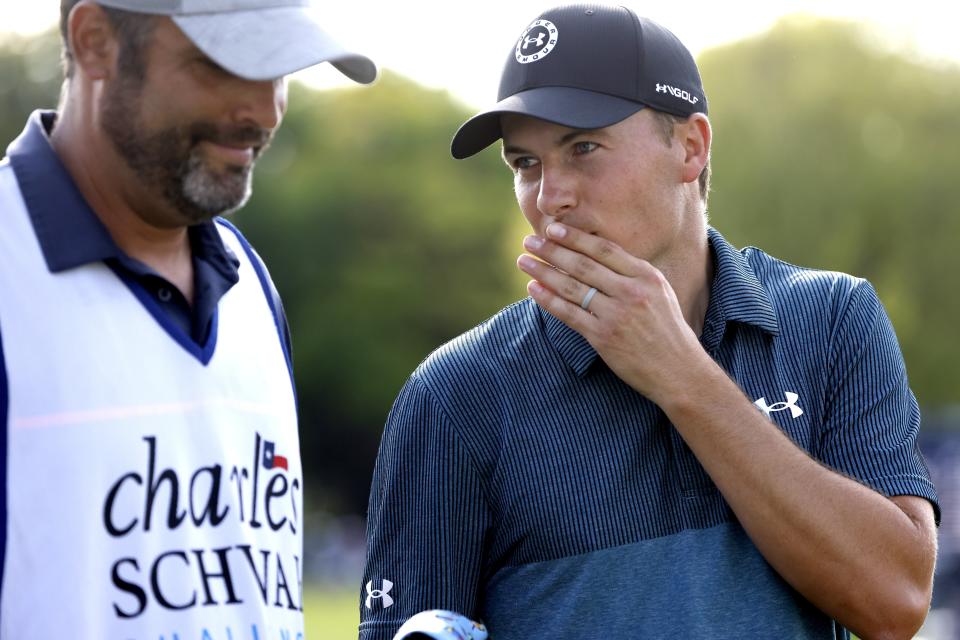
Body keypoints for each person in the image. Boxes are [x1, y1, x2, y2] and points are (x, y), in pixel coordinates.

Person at [360, 4, 939, 639]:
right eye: (526, 164)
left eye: (583, 148)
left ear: (690, 147)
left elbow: (896, 602)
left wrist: (683, 376)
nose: (551, 197)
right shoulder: (453, 394)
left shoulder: (831, 320)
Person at [0, 0, 375, 636]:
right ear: (95, 41)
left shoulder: (250, 281)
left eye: (278, 69)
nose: (262, 110)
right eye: (222, 64)